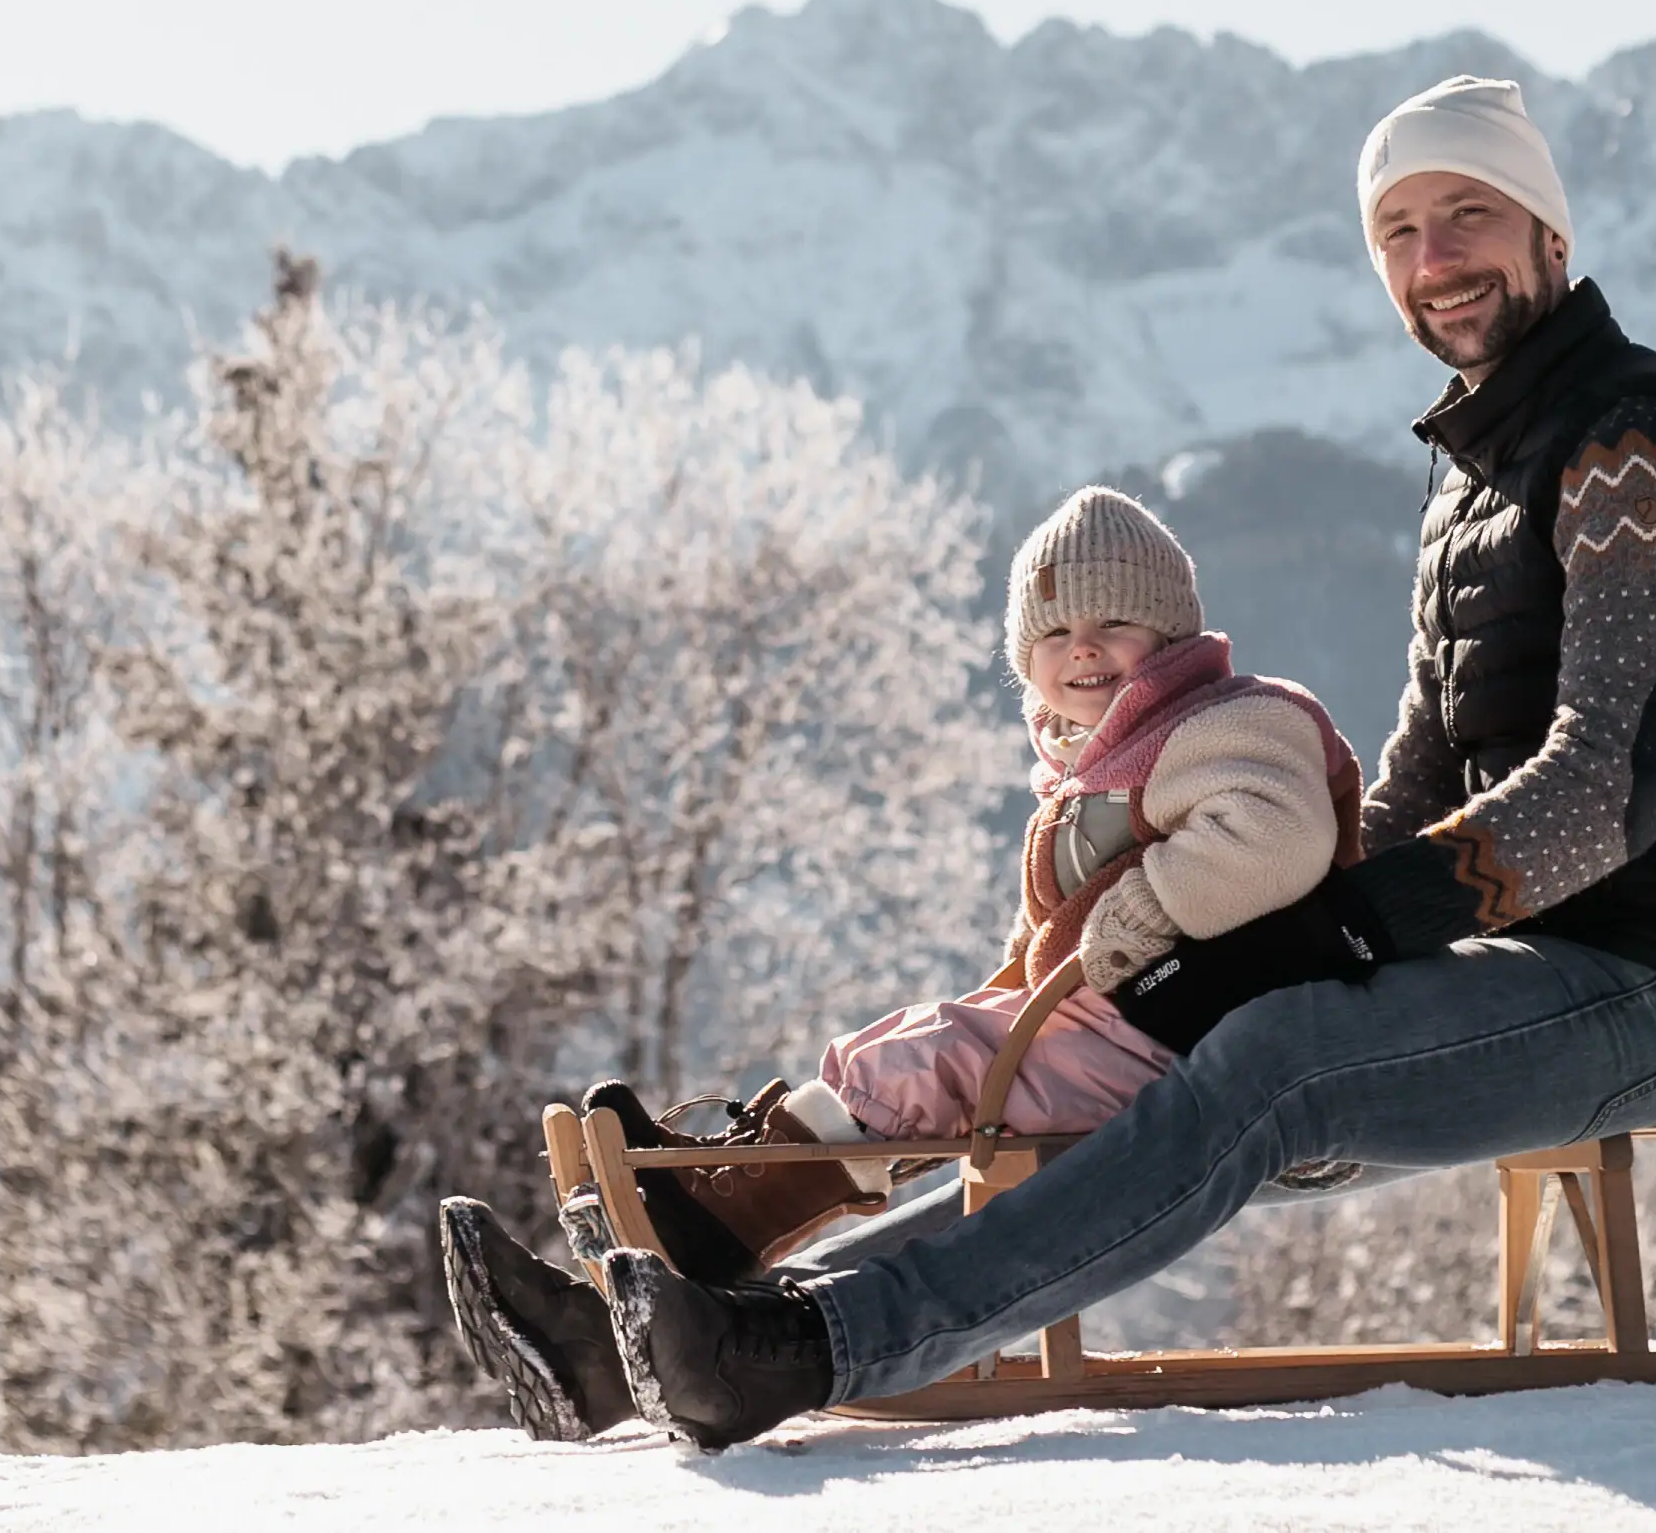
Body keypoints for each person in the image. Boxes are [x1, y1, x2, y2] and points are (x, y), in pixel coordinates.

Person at [442, 73, 1656, 1453]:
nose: (1433, 258)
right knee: (1148, 1042)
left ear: (1549, 235)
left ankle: (805, 1341)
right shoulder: (1474, 471)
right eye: (1398, 231)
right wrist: (1255, 925)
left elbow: (1604, 790)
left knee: (1278, 1059)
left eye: (1468, 213)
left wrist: (1333, 928)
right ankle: (638, 1345)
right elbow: (1419, 769)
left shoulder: (1650, 446)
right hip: (1527, 964)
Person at [574, 485, 1364, 1288]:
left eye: (1113, 625)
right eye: (1055, 633)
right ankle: (730, 1194)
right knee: (908, 1048)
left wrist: (1145, 906)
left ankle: (724, 1222)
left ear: (1169, 635)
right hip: (1131, 1023)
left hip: (1205, 1044)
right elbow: (1058, 927)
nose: (1082, 648)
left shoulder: (1228, 722)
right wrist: (1014, 990)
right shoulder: (1098, 764)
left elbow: (1279, 837)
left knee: (934, 1058)